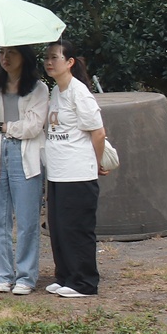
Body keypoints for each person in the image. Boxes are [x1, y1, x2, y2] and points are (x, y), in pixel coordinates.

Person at [0, 46, 49, 295]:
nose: (5, 58)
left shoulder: (38, 88)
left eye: (11, 53)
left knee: (28, 220)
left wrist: (3, 126)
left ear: (24, 57)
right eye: (1, 53)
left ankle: (26, 276)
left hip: (26, 155)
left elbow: (33, 127)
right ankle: (4, 275)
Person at [41, 41, 108, 298]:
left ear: (69, 62)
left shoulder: (80, 92)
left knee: (77, 227)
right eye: (47, 58)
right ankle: (66, 275)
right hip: (57, 172)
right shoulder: (56, 91)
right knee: (58, 227)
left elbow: (98, 132)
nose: (49, 62)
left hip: (78, 171)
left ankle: (84, 282)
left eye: (55, 57)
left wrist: (98, 162)